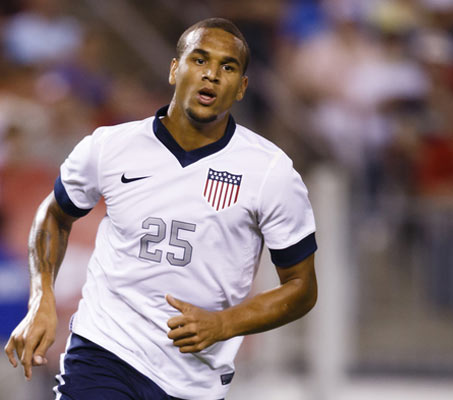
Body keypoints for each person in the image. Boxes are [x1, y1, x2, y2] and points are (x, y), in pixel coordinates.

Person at [4, 17, 318, 400]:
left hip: (193, 379)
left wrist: (224, 323)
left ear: (241, 88)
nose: (212, 75)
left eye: (228, 67)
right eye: (199, 60)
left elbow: (301, 287)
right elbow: (55, 213)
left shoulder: (270, 171)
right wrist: (42, 298)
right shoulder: (109, 146)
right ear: (174, 69)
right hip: (104, 350)